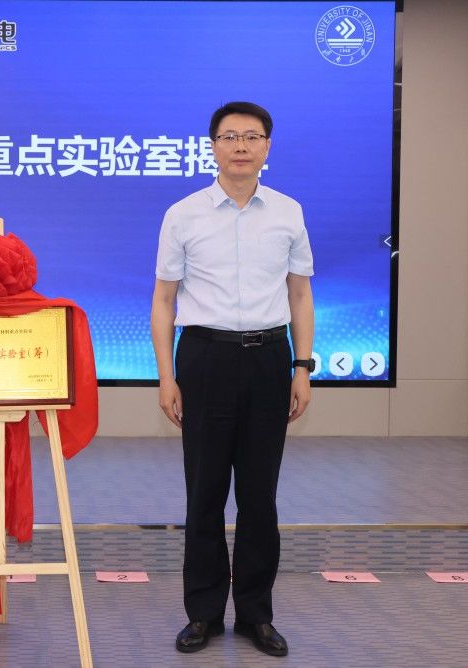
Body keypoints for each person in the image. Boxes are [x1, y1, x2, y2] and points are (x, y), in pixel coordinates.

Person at [150, 101, 315, 657]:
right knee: (205, 493)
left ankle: (255, 614)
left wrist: (302, 367)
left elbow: (300, 294)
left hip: (269, 359)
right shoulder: (183, 214)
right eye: (229, 136)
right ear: (213, 146)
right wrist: (166, 376)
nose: (240, 146)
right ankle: (202, 614)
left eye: (251, 136)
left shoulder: (288, 212)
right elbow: (164, 300)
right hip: (205, 359)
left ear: (267, 146)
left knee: (259, 496)